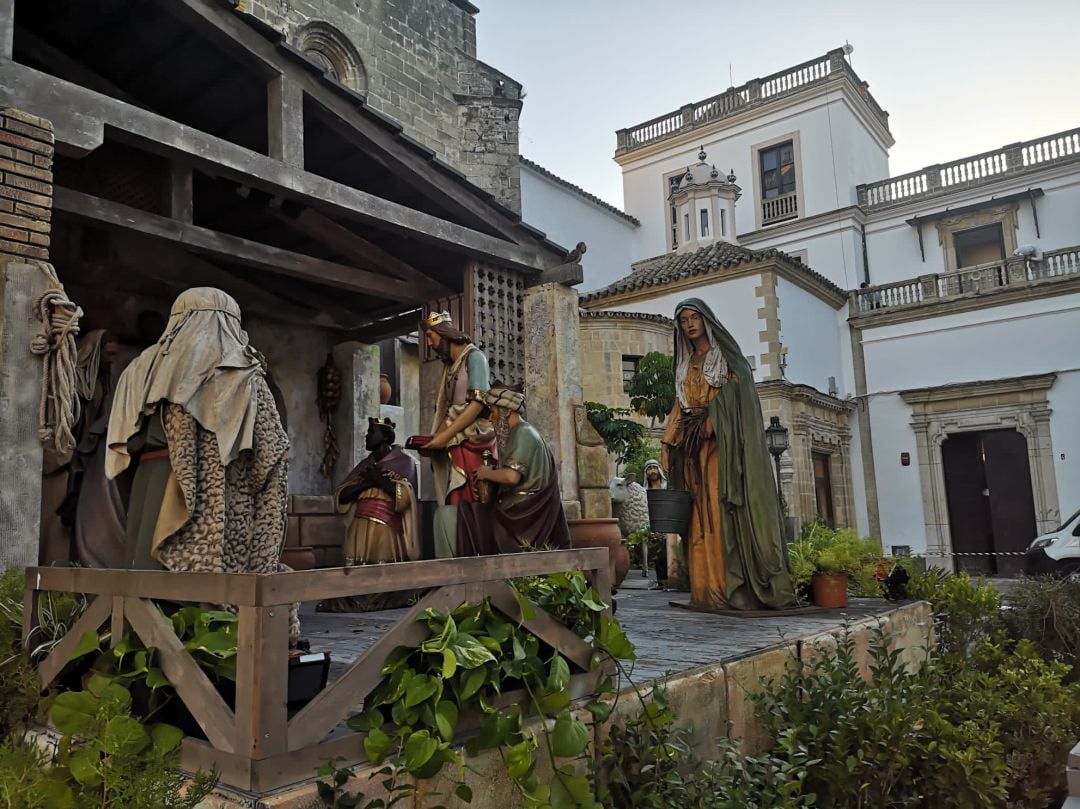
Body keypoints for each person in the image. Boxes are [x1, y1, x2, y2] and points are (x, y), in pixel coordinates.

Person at [105, 288, 297, 639]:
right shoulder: (242, 373)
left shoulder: (143, 369)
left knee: (146, 582)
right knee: (200, 593)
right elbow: (270, 456)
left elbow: (121, 446)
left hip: (150, 482)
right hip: (218, 496)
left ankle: (138, 666)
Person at [661, 298, 794, 611]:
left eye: (694, 318)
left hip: (722, 447)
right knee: (697, 514)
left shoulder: (726, 358)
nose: (689, 325)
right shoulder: (684, 363)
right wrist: (667, 444)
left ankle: (728, 587)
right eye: (684, 320)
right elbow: (679, 406)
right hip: (692, 449)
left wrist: (714, 418)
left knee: (719, 510)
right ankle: (704, 591)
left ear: (706, 320)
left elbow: (739, 392)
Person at [434, 381, 570, 557]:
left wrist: (486, 473)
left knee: (449, 517)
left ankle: (457, 573)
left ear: (507, 411)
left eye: (493, 412)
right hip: (517, 512)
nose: (491, 418)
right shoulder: (522, 433)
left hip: (521, 519)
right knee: (457, 515)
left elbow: (512, 477)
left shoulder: (524, 433)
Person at [318, 417, 419, 612]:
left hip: (386, 526)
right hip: (359, 525)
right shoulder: (365, 465)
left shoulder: (404, 462)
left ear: (384, 437)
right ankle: (354, 599)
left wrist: (379, 480)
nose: (367, 436)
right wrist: (367, 482)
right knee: (353, 567)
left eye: (371, 432)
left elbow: (405, 496)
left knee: (382, 569)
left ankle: (382, 598)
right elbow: (343, 493)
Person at [420, 311, 497, 510]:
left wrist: (444, 436)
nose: (429, 344)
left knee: (466, 499)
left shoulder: (474, 357)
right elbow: (447, 409)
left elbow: (478, 404)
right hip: (455, 442)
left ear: (443, 332)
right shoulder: (449, 366)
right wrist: (435, 439)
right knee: (453, 500)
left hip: (474, 441)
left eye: (430, 336)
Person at [642, 459, 675, 589]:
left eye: (654, 468)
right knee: (657, 553)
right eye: (649, 469)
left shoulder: (667, 486)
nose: (652, 471)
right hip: (653, 523)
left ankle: (672, 579)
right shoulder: (644, 490)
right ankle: (661, 581)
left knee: (669, 552)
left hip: (668, 521)